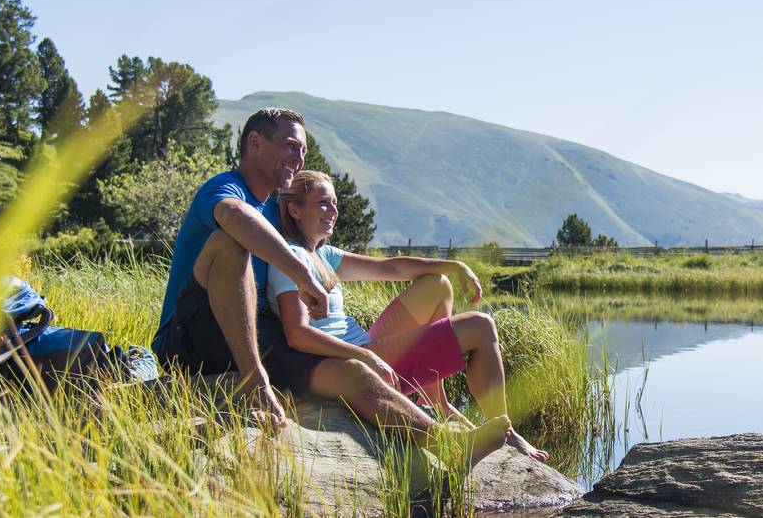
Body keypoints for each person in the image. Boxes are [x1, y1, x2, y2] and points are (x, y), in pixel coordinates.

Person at [150, 108, 508, 462]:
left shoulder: (277, 211)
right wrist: (303, 275)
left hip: (256, 333)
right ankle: (253, 382)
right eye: (291, 146)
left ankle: (449, 446)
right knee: (231, 242)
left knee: (354, 373)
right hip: (190, 338)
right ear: (255, 142)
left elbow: (384, 266)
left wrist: (450, 266)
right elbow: (234, 216)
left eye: (303, 149)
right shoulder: (226, 189)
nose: (299, 156)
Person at [266, 170, 549, 462]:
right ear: (294, 209)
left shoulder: (323, 254)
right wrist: (367, 357)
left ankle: (436, 399)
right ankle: (508, 433)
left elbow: (390, 269)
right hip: (351, 360)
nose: (334, 211)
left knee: (437, 284)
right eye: (323, 202)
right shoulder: (289, 257)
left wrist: (454, 266)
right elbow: (297, 333)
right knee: (480, 325)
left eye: (335, 203)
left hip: (367, 344)